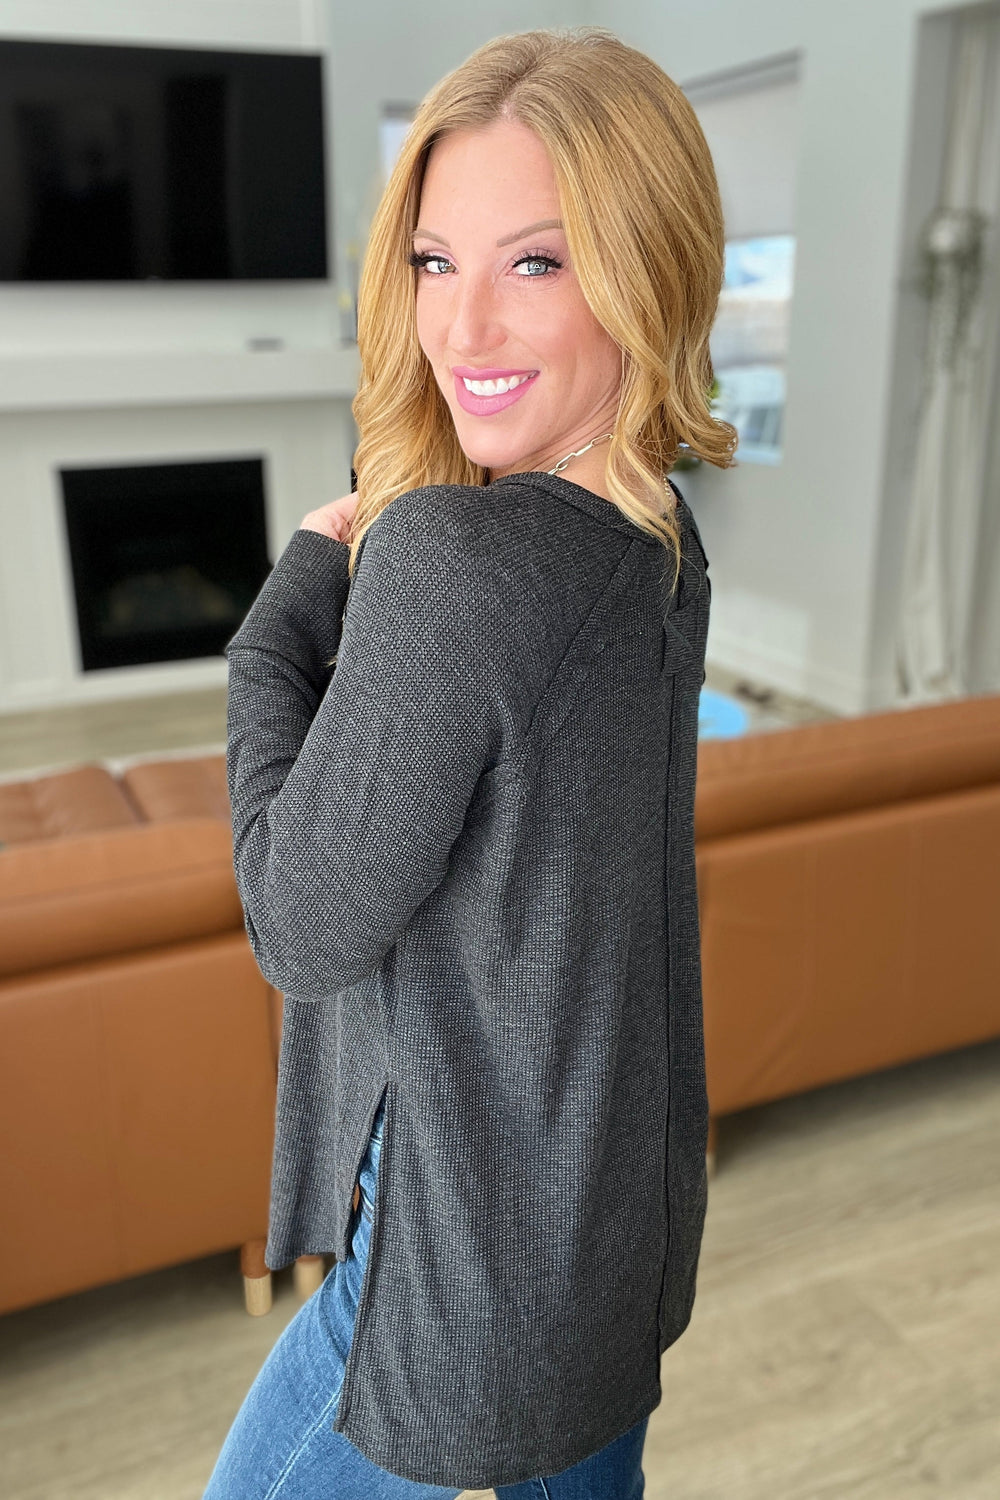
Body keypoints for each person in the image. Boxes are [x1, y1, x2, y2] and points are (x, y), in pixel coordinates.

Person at [205, 23, 736, 1500]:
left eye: (537, 263)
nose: (464, 328)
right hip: (609, 1212)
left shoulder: (450, 562)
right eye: (436, 262)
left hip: (457, 1249)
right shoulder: (662, 536)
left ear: (649, 271)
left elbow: (300, 926)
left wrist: (289, 606)